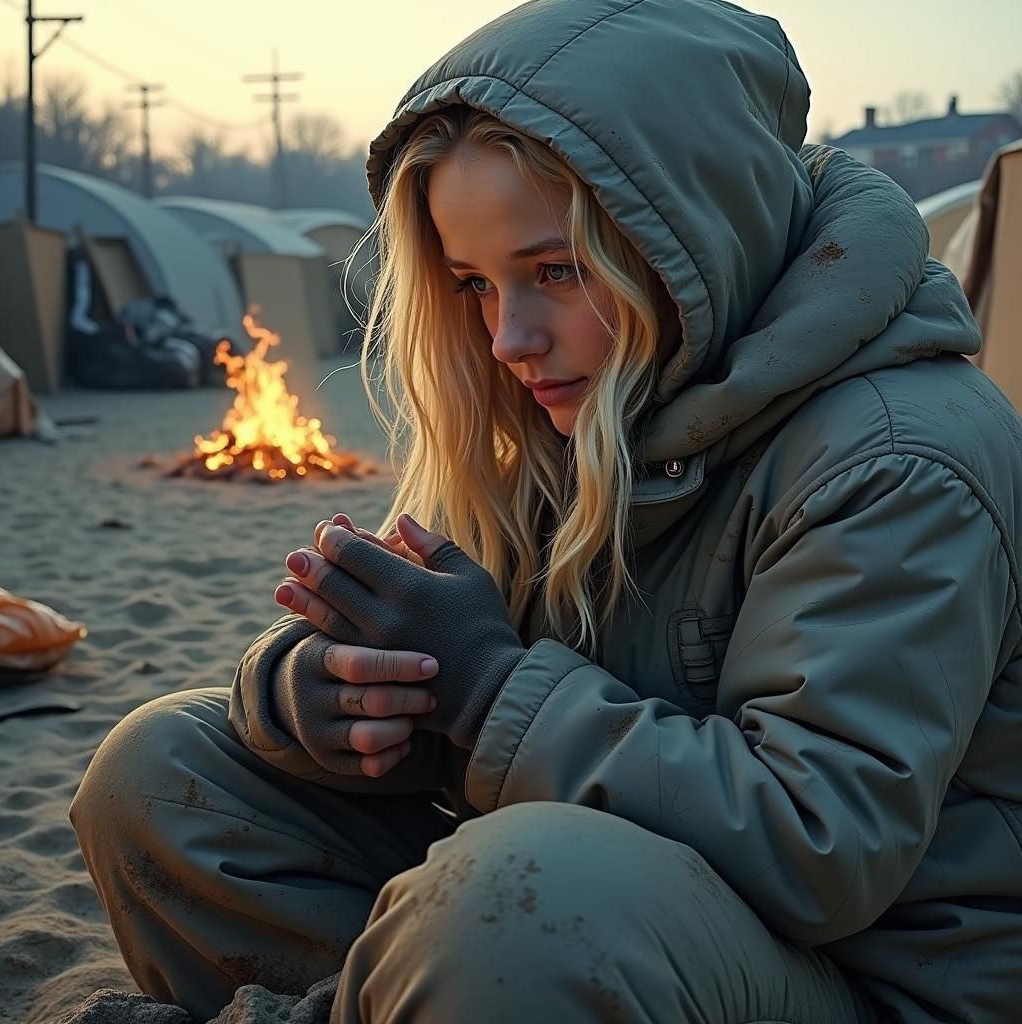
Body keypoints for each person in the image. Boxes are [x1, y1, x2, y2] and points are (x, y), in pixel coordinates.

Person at [70, 1, 1022, 1022]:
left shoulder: (896, 454)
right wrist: (326, 696)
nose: (508, 337)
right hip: (598, 906)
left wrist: (486, 689)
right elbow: (475, 700)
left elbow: (818, 845)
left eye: (556, 270)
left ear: (696, 235)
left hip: (871, 981)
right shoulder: (573, 407)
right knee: (162, 770)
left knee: (509, 899)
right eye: (473, 284)